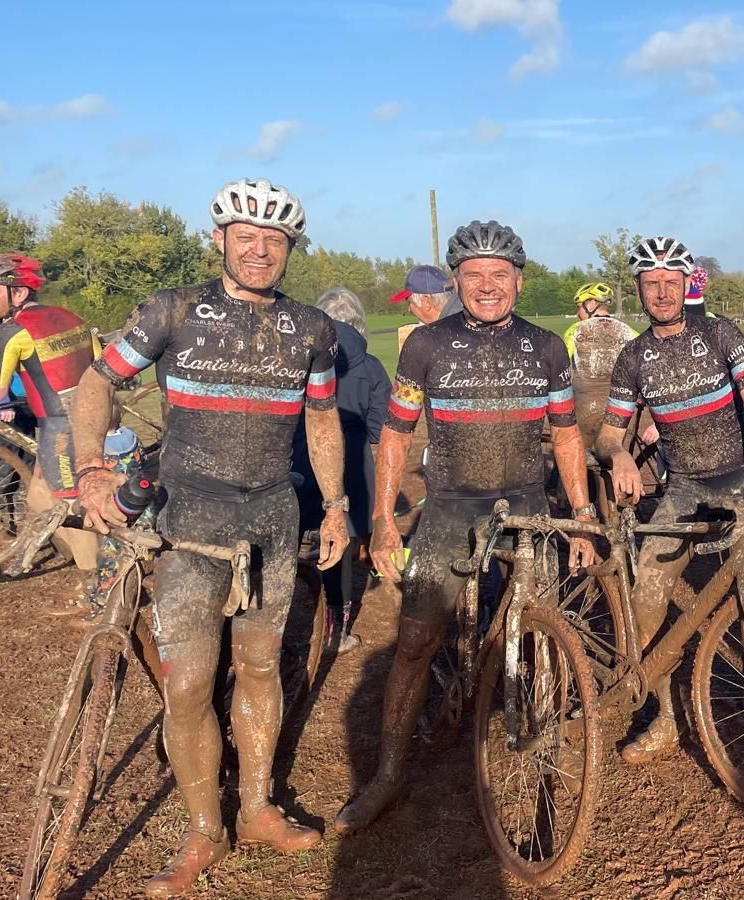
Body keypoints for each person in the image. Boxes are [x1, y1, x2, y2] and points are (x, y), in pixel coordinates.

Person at [71, 179, 347, 896]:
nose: (260, 250)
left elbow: (321, 422)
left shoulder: (312, 329)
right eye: (246, 236)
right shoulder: (172, 311)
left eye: (275, 240)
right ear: (219, 238)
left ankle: (255, 808)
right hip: (190, 518)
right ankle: (203, 831)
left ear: (290, 248)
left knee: (259, 668)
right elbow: (98, 382)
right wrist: (93, 468)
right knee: (189, 683)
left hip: (272, 519)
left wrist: (340, 505)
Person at [335, 220, 600, 834]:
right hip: (452, 507)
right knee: (414, 643)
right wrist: (381, 519)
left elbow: (564, 434)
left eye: (499, 275)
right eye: (474, 275)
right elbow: (397, 433)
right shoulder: (425, 345)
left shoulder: (547, 347)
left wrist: (583, 516)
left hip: (529, 506)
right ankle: (389, 775)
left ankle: (538, 743)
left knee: (539, 634)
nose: (487, 286)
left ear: (519, 281)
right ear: (457, 282)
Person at [595, 235, 744, 764]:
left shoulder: (720, 333)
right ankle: (662, 715)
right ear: (638, 290)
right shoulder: (633, 356)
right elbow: (608, 432)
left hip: (741, 480)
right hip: (684, 488)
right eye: (651, 284)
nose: (662, 293)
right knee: (648, 594)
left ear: (687, 284)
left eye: (671, 282)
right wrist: (617, 455)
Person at [0, 253, 104, 588]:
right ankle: (72, 554)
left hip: (60, 427)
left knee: (72, 504)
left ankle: (97, 589)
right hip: (93, 417)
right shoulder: (70, 316)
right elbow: (101, 365)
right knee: (38, 497)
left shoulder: (13, 332)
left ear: (19, 293)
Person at [293, 288, 390, 653]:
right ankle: (336, 631)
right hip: (352, 462)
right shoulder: (372, 366)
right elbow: (381, 428)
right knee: (341, 541)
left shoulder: (301, 357)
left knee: (294, 535)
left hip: (302, 453)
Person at [563, 281, 638, 453]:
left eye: (579, 307)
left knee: (578, 457)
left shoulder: (575, 331)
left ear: (590, 304)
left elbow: (561, 367)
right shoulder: (629, 332)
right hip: (620, 409)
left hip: (584, 407)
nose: (577, 313)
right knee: (612, 454)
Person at [391, 264, 458, 351]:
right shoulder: (459, 321)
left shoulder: (452, 336)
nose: (409, 310)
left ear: (427, 302)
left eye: (410, 302)